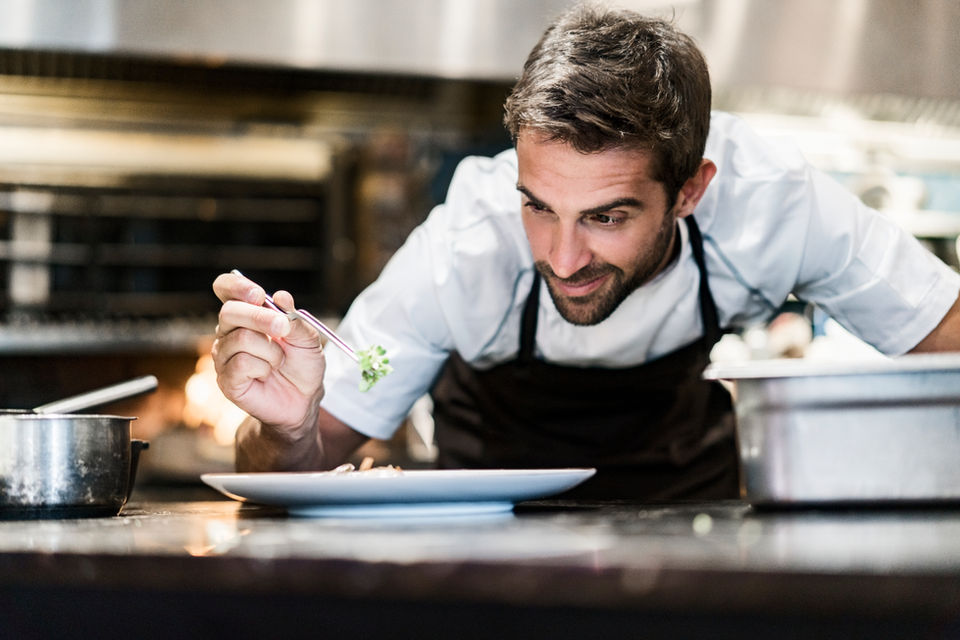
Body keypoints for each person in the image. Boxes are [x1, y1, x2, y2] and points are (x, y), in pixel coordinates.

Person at [211, 4, 960, 500]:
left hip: (693, 527)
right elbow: (291, 471)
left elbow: (945, 334)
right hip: (488, 543)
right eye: (539, 205)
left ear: (691, 191)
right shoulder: (463, 244)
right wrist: (285, 426)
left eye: (607, 216)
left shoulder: (775, 201)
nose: (564, 257)